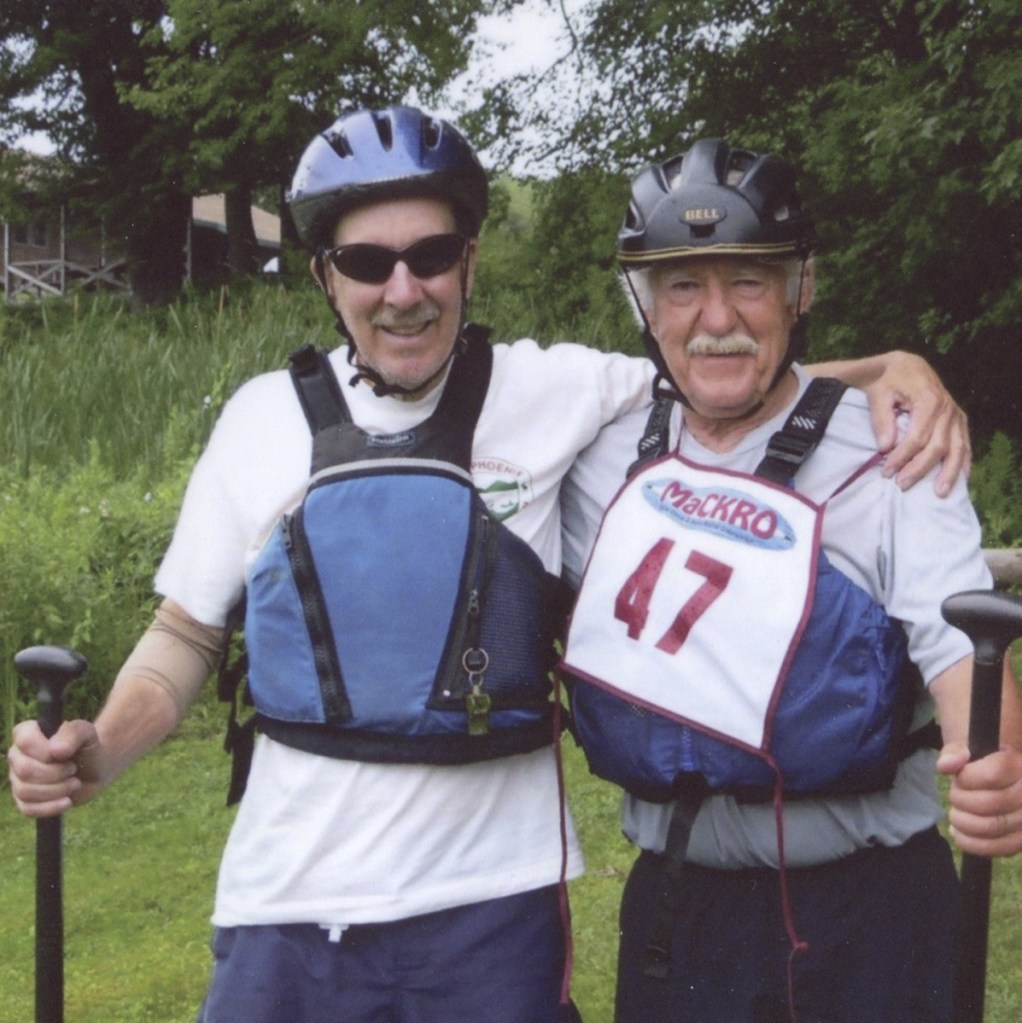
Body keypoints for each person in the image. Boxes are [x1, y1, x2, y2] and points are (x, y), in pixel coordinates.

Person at [8, 108, 968, 1023]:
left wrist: (892, 368)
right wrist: (102, 746)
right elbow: (184, 632)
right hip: (285, 890)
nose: (403, 288)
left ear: (467, 261)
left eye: (430, 255)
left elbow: (723, 368)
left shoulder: (555, 392)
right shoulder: (260, 418)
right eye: (366, 261)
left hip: (493, 900)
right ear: (324, 276)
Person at [559, 138, 1022, 1023]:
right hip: (677, 911)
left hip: (868, 910)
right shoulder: (598, 445)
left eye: (750, 281)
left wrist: (996, 754)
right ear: (642, 302)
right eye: (682, 286)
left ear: (801, 289)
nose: (715, 316)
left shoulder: (897, 447)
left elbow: (957, 639)